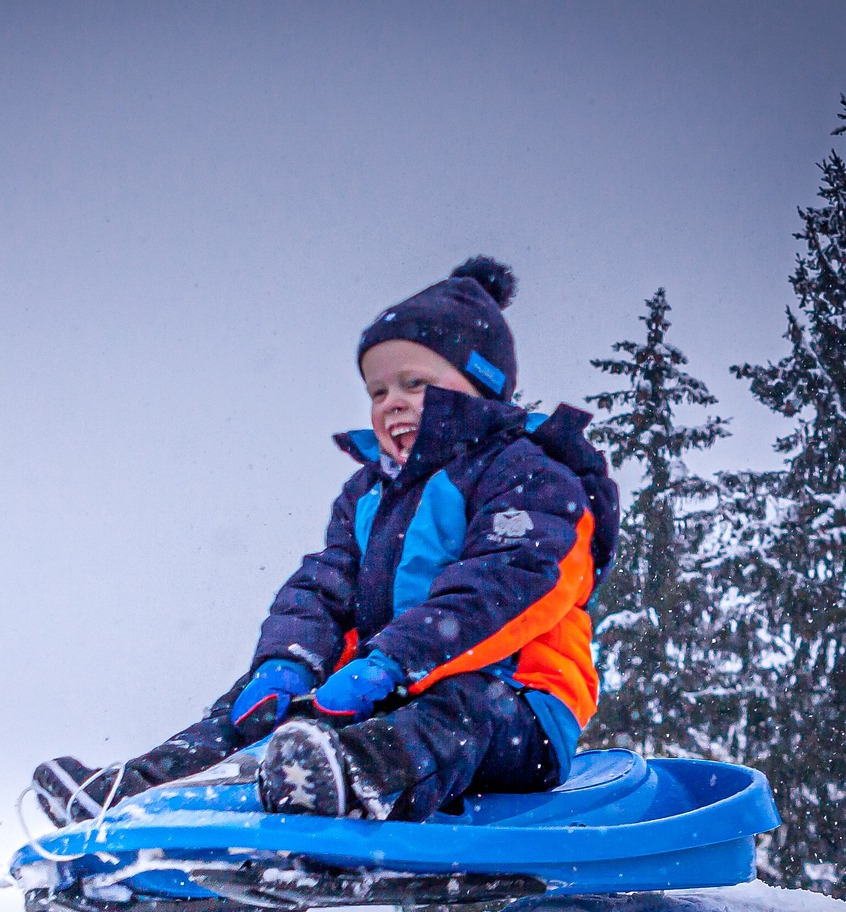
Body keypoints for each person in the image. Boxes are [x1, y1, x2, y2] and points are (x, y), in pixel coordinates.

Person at [34, 256, 617, 824]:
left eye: (415, 382)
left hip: (520, 704)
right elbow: (322, 588)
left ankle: (351, 780)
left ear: (482, 387)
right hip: (389, 693)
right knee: (257, 705)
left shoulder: (529, 474)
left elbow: (511, 582)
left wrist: (394, 662)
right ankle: (138, 791)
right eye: (377, 390)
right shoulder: (368, 493)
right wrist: (287, 664)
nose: (390, 402)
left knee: (461, 707)